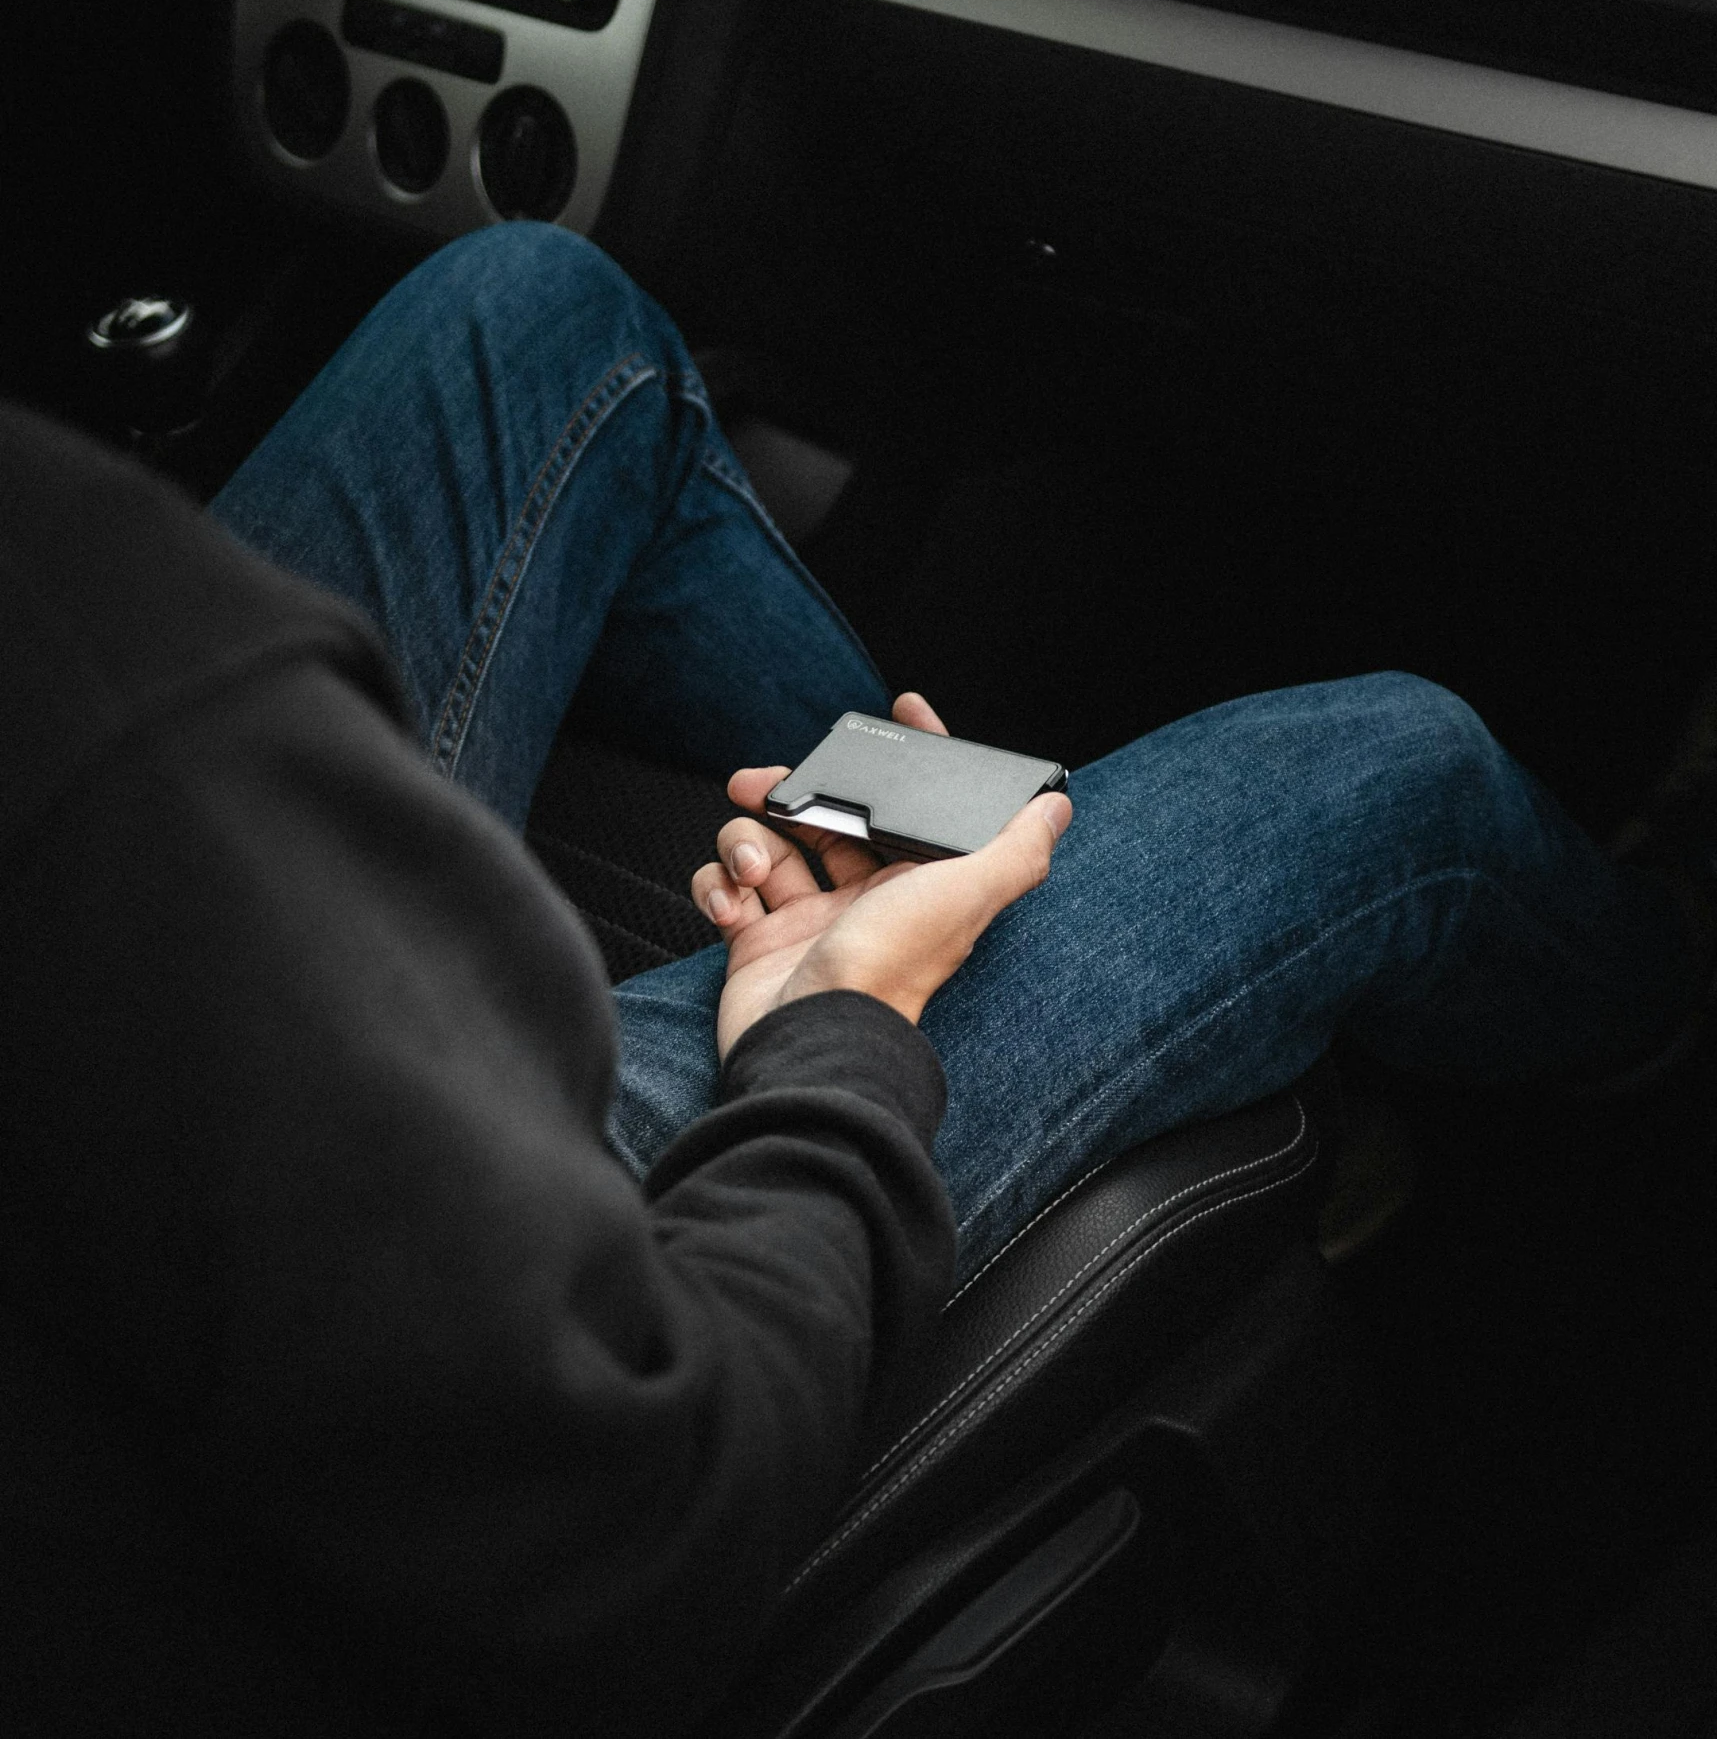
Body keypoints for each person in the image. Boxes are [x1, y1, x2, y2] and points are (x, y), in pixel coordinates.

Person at [0, 222, 1701, 1738]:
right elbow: (630, 1526)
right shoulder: (120, 713)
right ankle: (1659, 1010)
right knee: (1399, 771)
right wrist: (840, 1028)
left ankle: (917, 812)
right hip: (359, 1355)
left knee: (535, 309)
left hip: (153, 1093)